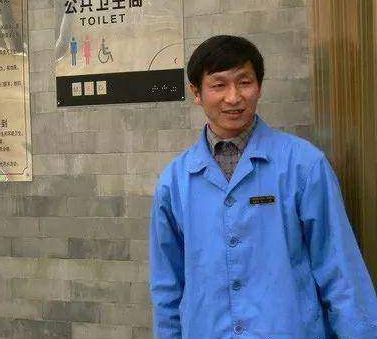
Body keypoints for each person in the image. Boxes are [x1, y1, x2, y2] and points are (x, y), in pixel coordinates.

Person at [149, 35, 377, 338]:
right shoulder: (174, 182)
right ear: (196, 92)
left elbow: (340, 270)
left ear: (259, 86)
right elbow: (167, 287)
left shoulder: (303, 165)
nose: (233, 97)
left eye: (244, 82)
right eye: (219, 85)